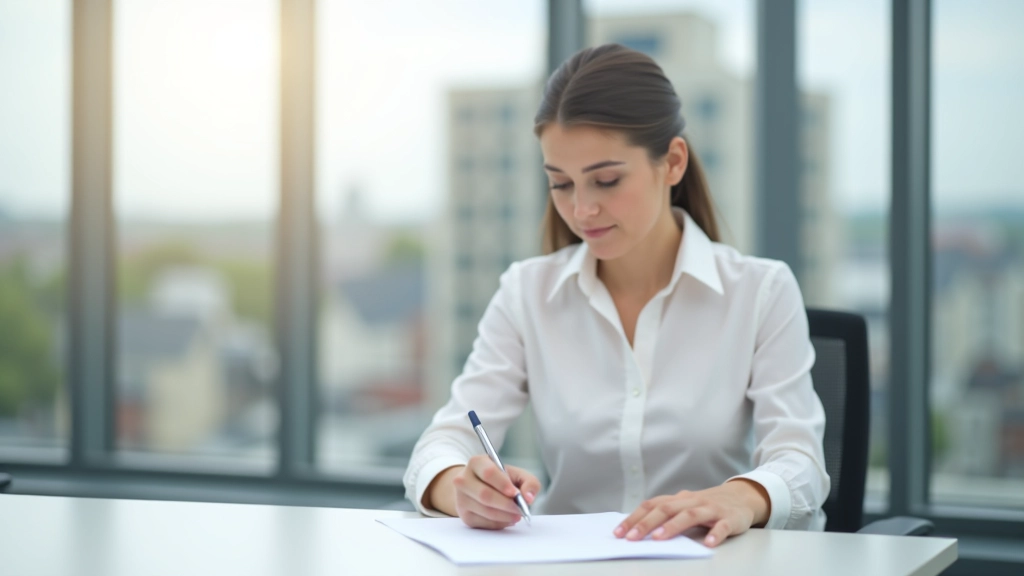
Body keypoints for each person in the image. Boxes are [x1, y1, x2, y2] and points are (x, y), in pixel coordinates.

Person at [403, 43, 829, 548]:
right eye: (561, 184)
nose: (582, 210)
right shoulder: (527, 293)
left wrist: (742, 497)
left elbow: (800, 464)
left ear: (672, 163)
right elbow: (442, 443)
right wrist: (461, 489)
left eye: (606, 180)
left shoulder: (759, 291)